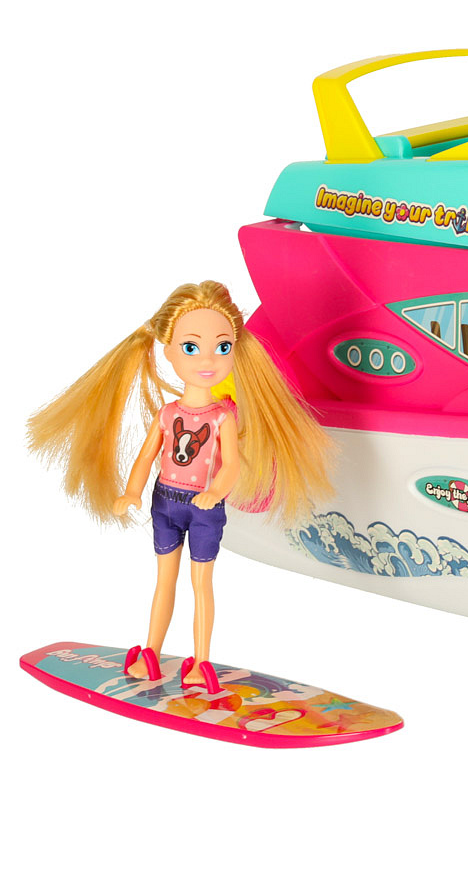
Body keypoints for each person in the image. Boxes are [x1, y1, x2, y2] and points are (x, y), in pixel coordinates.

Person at [27, 280, 333, 689]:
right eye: (191, 347)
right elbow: (146, 457)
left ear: (236, 349)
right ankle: (151, 652)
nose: (207, 359)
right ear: (168, 350)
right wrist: (131, 491)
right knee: (164, 580)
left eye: (222, 347)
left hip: (204, 508)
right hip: (165, 502)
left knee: (201, 584)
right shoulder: (167, 414)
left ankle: (200, 662)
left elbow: (231, 466)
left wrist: (216, 491)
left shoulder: (223, 417)